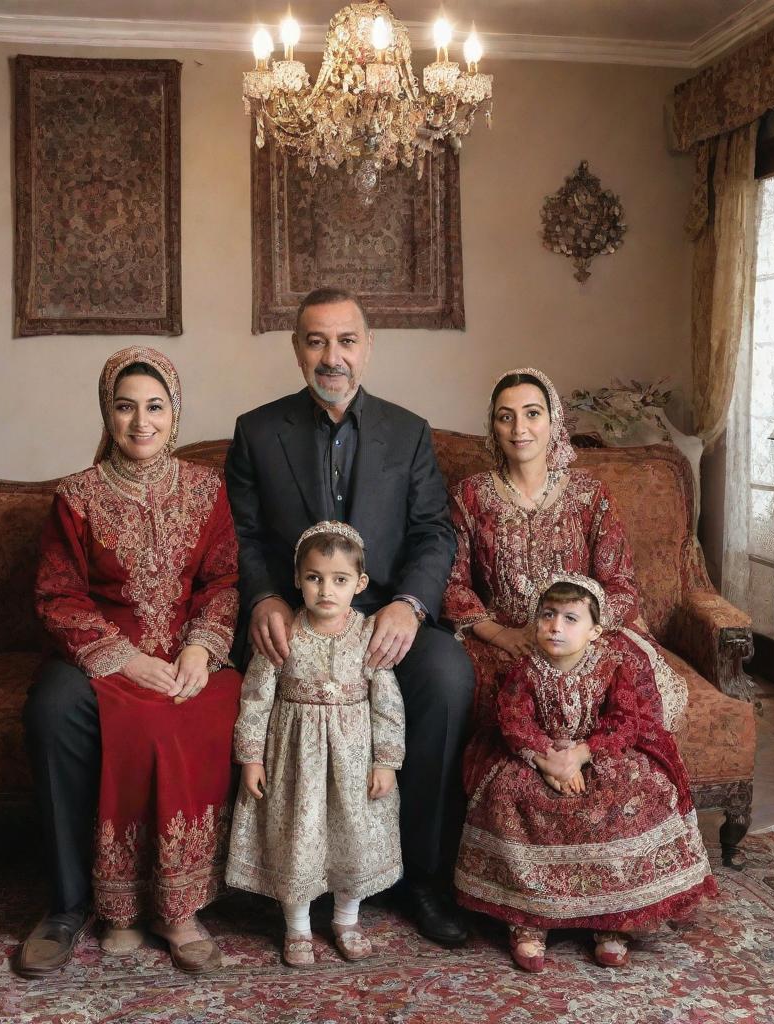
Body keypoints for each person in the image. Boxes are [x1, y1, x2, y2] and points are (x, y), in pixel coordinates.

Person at [225, 287, 474, 946]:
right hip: (296, 620)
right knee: (253, 677)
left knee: (447, 677)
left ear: (369, 346)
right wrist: (264, 598)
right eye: (315, 340)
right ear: (296, 348)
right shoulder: (256, 431)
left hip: (382, 615)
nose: (331, 356)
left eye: (345, 340)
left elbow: (433, 532)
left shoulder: (409, 431)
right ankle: (285, 880)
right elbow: (242, 537)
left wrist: (409, 604)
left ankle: (420, 877)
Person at [15, 347, 242, 978]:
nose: (141, 421)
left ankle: (178, 908)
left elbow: (223, 582)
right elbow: (57, 594)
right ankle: (69, 906)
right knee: (52, 711)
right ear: (106, 414)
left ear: (175, 415)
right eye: (124, 406)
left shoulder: (207, 491)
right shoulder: (77, 497)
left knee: (216, 705)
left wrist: (201, 646)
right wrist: (121, 659)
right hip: (99, 656)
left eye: (155, 407)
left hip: (189, 653)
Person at [442, 366, 687, 794]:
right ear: (493, 427)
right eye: (506, 416)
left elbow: (620, 585)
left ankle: (606, 791)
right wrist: (500, 634)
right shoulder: (470, 496)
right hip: (504, 636)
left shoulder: (591, 496)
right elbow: (452, 583)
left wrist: (577, 631)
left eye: (532, 413)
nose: (520, 428)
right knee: (494, 697)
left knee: (629, 680)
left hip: (583, 634)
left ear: (553, 421)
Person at [454, 573, 715, 971]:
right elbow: (513, 720)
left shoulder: (610, 667)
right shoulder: (525, 670)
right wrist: (547, 760)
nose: (555, 627)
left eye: (570, 618)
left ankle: (612, 920)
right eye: (547, 615)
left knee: (628, 794)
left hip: (595, 756)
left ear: (595, 632)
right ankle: (528, 920)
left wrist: (580, 755)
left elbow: (625, 722)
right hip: (537, 756)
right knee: (509, 794)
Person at [226, 521, 405, 967]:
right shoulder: (284, 633)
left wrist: (386, 761)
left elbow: (387, 704)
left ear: (360, 583)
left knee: (352, 837)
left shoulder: (367, 635)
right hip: (295, 760)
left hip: (352, 758)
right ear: (297, 579)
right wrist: (250, 757)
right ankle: (298, 925)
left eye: (340, 580)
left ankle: (346, 917)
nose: (326, 590)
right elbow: (256, 697)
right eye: (314, 578)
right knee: (298, 838)